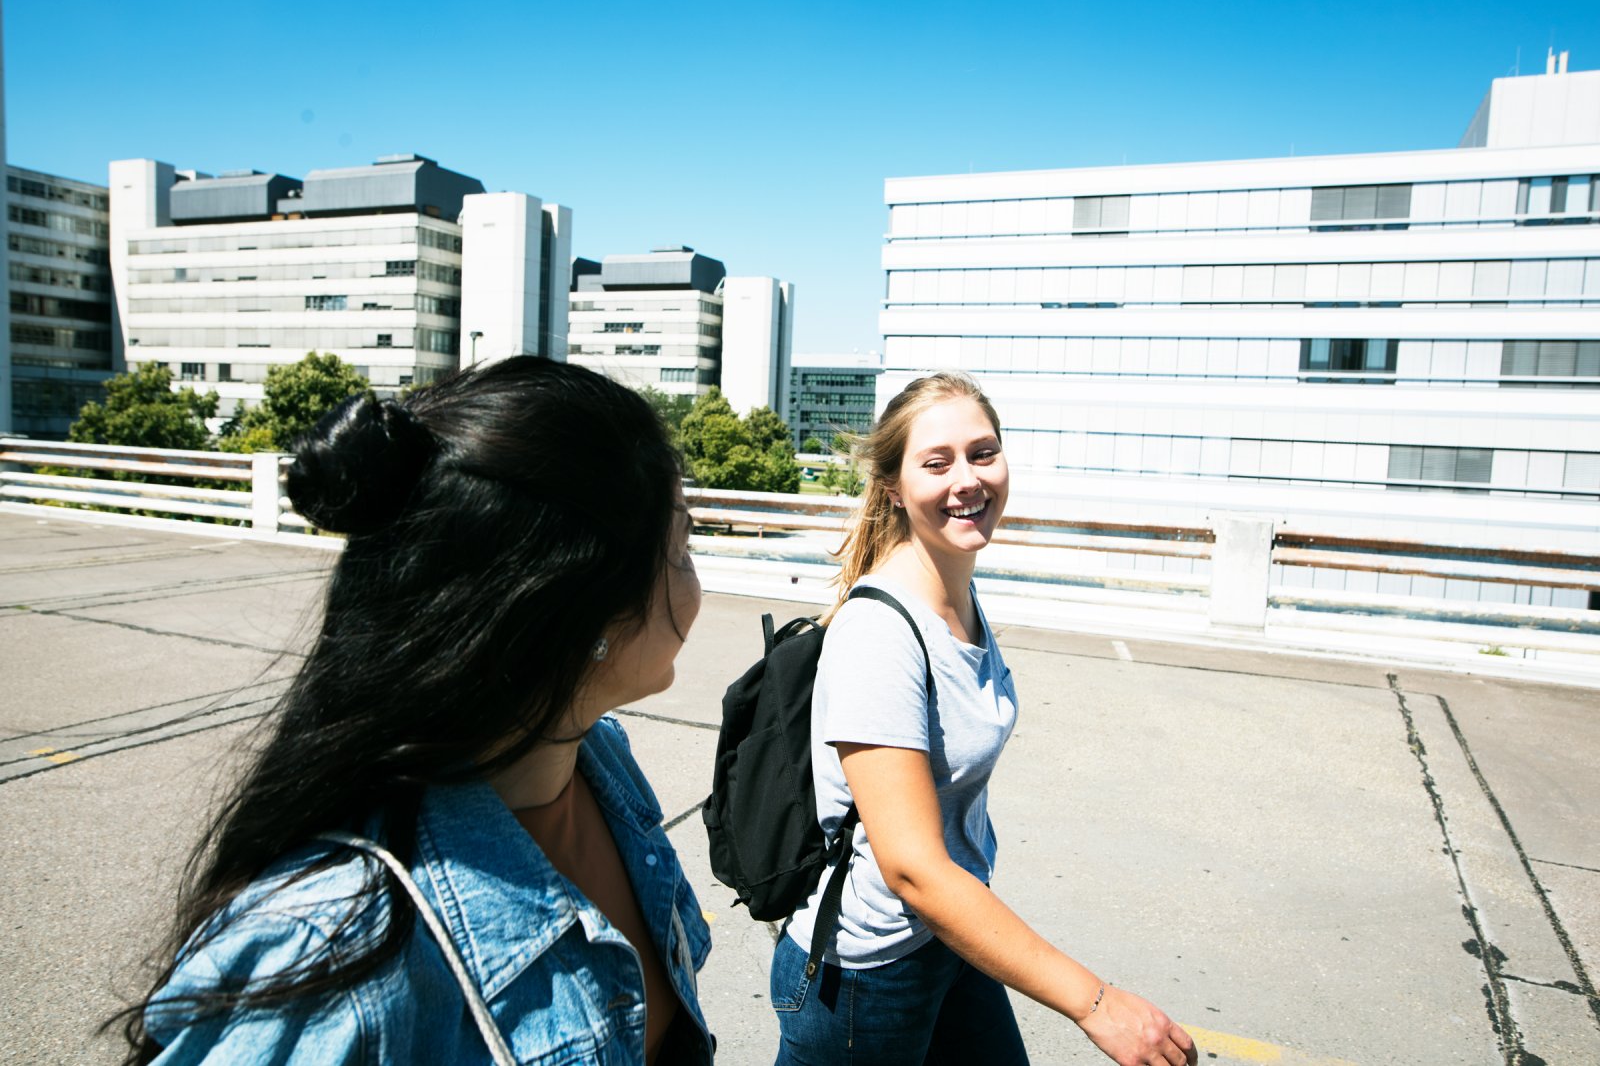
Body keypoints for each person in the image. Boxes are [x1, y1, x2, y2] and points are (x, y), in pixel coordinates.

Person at [113, 357, 714, 1065]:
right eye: (680, 545)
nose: (692, 577)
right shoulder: (330, 957)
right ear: (577, 607)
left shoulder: (601, 762)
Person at [771, 371, 1197, 1066]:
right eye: (936, 463)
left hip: (951, 936)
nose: (967, 478)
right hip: (866, 980)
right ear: (893, 489)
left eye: (983, 452)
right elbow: (912, 869)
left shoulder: (957, 595)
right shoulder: (881, 634)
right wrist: (1097, 1004)